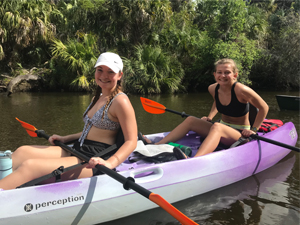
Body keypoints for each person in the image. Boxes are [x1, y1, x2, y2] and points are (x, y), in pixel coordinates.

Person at [0, 52, 137, 190]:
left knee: (29, 166)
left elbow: (131, 141)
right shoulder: (98, 97)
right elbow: (90, 130)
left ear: (119, 75)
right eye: (100, 70)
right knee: (22, 152)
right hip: (78, 149)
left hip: (94, 159)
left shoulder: (121, 101)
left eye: (110, 72)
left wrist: (110, 163)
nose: (103, 76)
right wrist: (65, 138)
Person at [140, 58, 268, 159]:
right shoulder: (213, 88)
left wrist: (254, 130)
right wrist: (210, 117)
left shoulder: (242, 90)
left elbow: (264, 107)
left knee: (217, 127)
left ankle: (196, 159)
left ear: (235, 75)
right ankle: (156, 145)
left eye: (227, 72)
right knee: (191, 120)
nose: (223, 76)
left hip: (239, 135)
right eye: (219, 72)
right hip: (220, 127)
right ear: (214, 74)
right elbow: (216, 102)